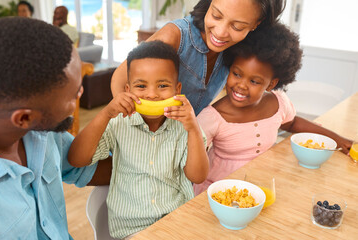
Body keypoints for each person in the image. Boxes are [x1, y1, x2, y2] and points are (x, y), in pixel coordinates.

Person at [0, 17, 111, 239]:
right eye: (74, 94)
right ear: (24, 118)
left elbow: (82, 166)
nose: (80, 93)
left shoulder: (37, 126)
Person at [69, 40, 209, 239]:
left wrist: (193, 129)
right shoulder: (118, 122)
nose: (152, 95)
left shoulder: (185, 126)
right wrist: (106, 113)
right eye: (141, 86)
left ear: (177, 90)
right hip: (131, 229)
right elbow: (76, 159)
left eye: (162, 85)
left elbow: (198, 176)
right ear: (128, 90)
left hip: (177, 222)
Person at [193, 22, 353, 195]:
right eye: (237, 74)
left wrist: (340, 140)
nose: (241, 85)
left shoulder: (278, 102)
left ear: (271, 84)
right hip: (219, 192)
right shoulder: (212, 117)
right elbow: (193, 163)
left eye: (254, 81)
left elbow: (292, 124)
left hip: (261, 186)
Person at [111, 0, 286, 115]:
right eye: (216, 16)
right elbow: (119, 79)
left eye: (238, 27)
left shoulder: (239, 51)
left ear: (256, 24)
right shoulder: (175, 36)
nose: (220, 32)